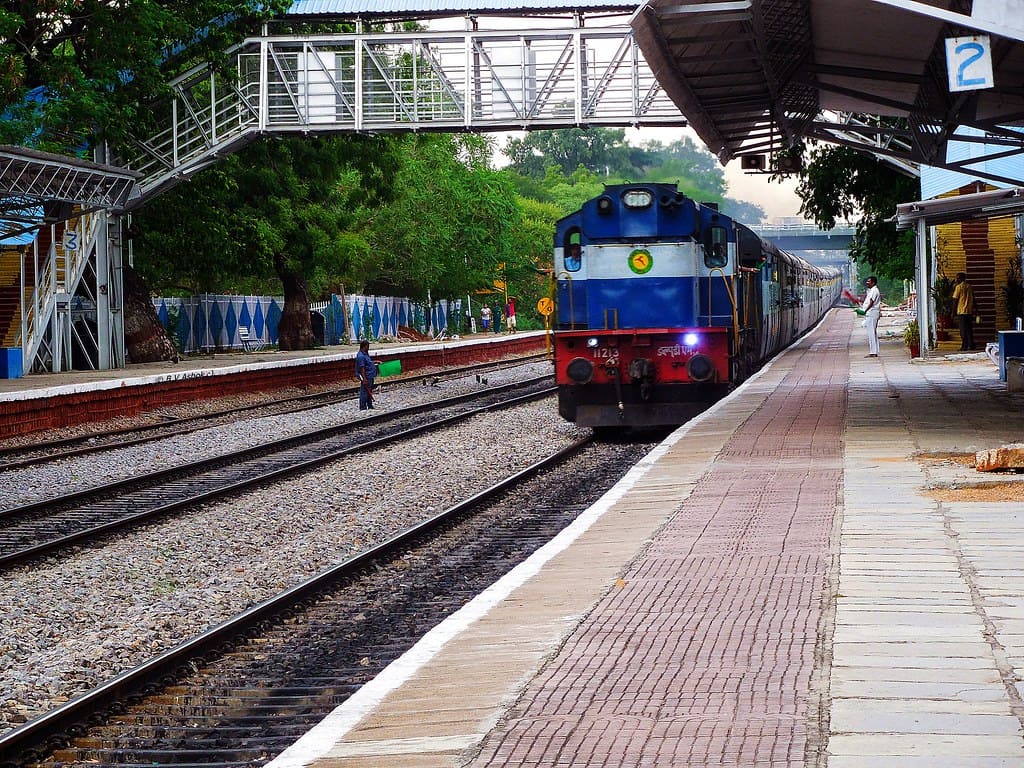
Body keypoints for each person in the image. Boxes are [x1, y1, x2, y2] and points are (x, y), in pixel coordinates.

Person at [953, 272, 976, 351]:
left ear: (962, 278)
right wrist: (976, 310)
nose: (957, 279)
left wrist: (953, 312)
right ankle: (971, 345)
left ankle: (964, 346)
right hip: (969, 311)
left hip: (961, 311)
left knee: (963, 330)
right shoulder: (969, 287)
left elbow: (955, 300)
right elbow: (974, 298)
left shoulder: (958, 287)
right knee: (969, 329)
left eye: (958, 278)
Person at [861, 275, 881, 357]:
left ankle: (873, 352)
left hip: (872, 313)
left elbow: (871, 302)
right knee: (873, 332)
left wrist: (864, 311)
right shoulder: (872, 290)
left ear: (873, 282)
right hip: (872, 313)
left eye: (869, 281)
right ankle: (875, 350)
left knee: (871, 333)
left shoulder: (874, 291)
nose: (867, 283)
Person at [355, 340, 376, 410]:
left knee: (369, 390)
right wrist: (364, 378)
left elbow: (368, 363)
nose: (369, 348)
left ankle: (369, 405)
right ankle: (363, 407)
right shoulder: (361, 356)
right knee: (364, 391)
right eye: (368, 346)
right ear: (365, 346)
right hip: (366, 376)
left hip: (370, 375)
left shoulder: (365, 354)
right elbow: (362, 368)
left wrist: (375, 362)